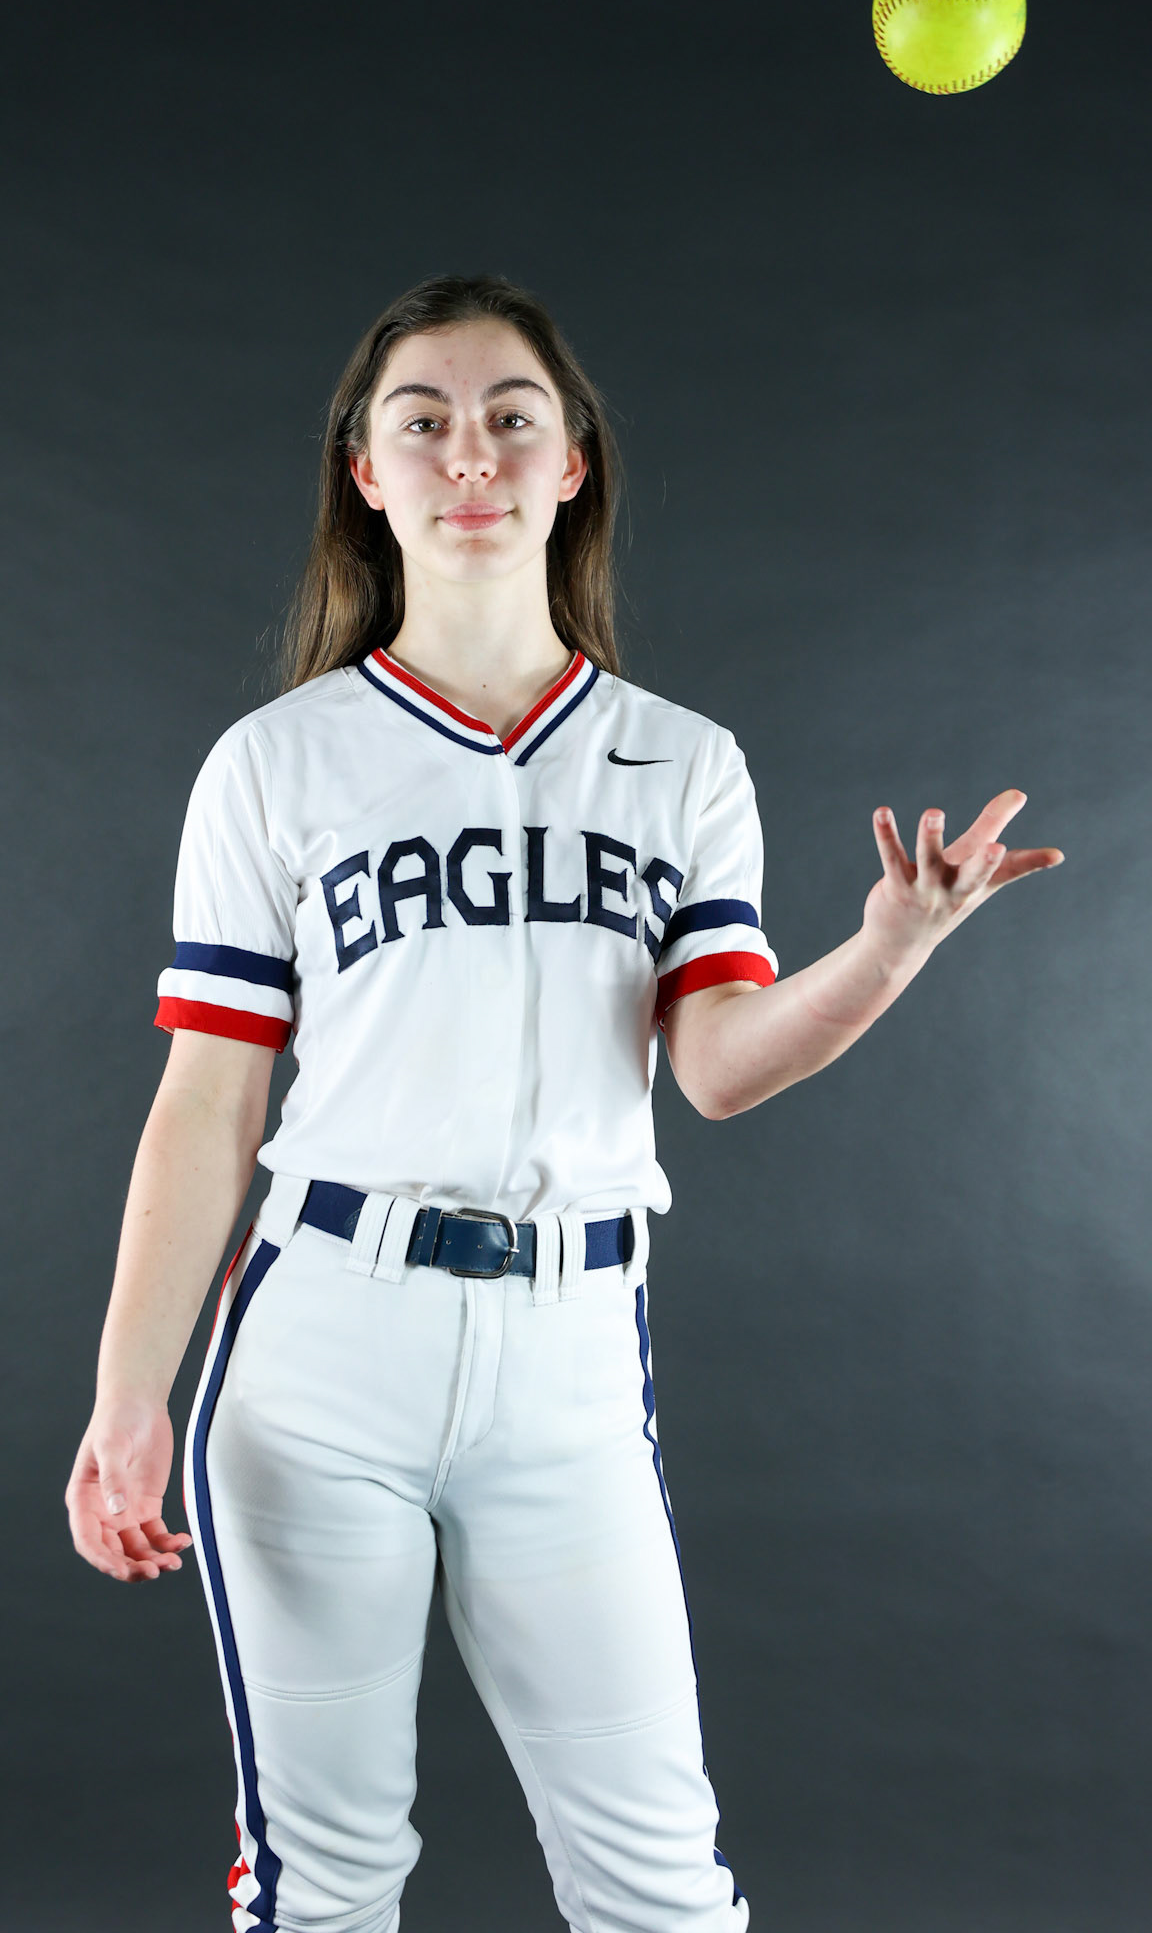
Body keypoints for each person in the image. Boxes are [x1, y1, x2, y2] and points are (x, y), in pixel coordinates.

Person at [64, 271, 1063, 1933]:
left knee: (660, 1887)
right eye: (423, 420)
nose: (470, 452)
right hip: (321, 1343)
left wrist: (887, 948)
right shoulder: (276, 762)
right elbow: (209, 1098)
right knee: (321, 1882)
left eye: (510, 417)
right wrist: (126, 1396)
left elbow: (720, 1068)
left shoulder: (682, 760)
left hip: (569, 1349)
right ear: (364, 472)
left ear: (571, 461)